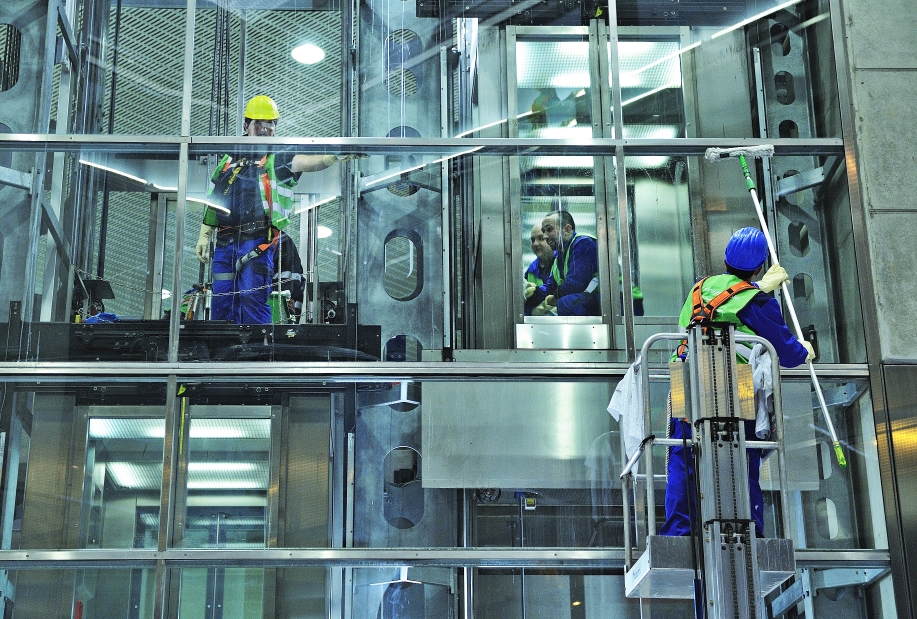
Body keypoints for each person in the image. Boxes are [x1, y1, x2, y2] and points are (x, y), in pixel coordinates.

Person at [660, 226, 815, 538]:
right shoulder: (755, 301)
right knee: (744, 454)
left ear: (726, 259)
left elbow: (726, 301)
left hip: (685, 373)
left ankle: (678, 529)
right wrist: (805, 350)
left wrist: (759, 287)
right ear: (759, 266)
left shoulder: (700, 288)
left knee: (683, 453)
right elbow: (784, 350)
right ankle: (750, 529)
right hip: (732, 377)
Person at [195, 95, 351, 324]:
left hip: (256, 241)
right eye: (260, 124)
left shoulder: (277, 158)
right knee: (221, 303)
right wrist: (204, 234)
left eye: (271, 125)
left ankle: (257, 354)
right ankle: (225, 353)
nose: (266, 129)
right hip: (225, 243)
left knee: (252, 299)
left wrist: (331, 157)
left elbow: (306, 162)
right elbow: (214, 199)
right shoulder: (228, 160)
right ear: (246, 126)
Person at [526, 210, 600, 316]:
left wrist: (554, 298)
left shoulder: (584, 243)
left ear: (567, 229)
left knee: (566, 302)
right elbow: (549, 287)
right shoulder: (560, 258)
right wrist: (533, 292)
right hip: (590, 301)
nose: (546, 236)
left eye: (549, 229)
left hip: (609, 301)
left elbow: (576, 284)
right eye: (544, 231)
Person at [523, 222, 555, 315]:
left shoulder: (563, 263)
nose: (535, 243)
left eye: (541, 238)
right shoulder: (531, 271)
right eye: (533, 240)